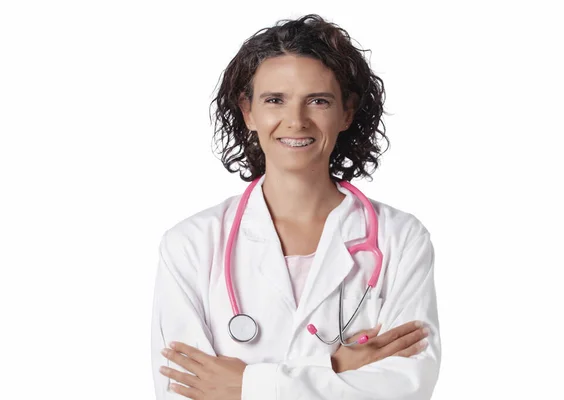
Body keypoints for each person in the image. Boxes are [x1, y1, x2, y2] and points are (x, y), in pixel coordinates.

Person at [151, 13, 441, 400]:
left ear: (347, 112)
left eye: (318, 101)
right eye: (275, 100)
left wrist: (246, 386)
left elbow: (404, 386)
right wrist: (334, 368)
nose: (296, 120)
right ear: (248, 111)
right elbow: (183, 389)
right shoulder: (190, 244)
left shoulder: (400, 239)